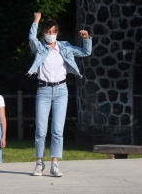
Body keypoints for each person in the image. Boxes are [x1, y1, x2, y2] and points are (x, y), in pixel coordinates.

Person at [27, 12, 92, 177]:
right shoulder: (39, 47)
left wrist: (86, 38)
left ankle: (54, 164)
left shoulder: (65, 47)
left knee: (57, 130)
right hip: (43, 90)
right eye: (48, 32)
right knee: (41, 130)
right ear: (43, 33)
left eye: (53, 31)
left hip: (61, 91)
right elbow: (31, 39)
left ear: (57, 32)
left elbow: (86, 52)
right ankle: (39, 163)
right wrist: (36, 21)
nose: (50, 34)